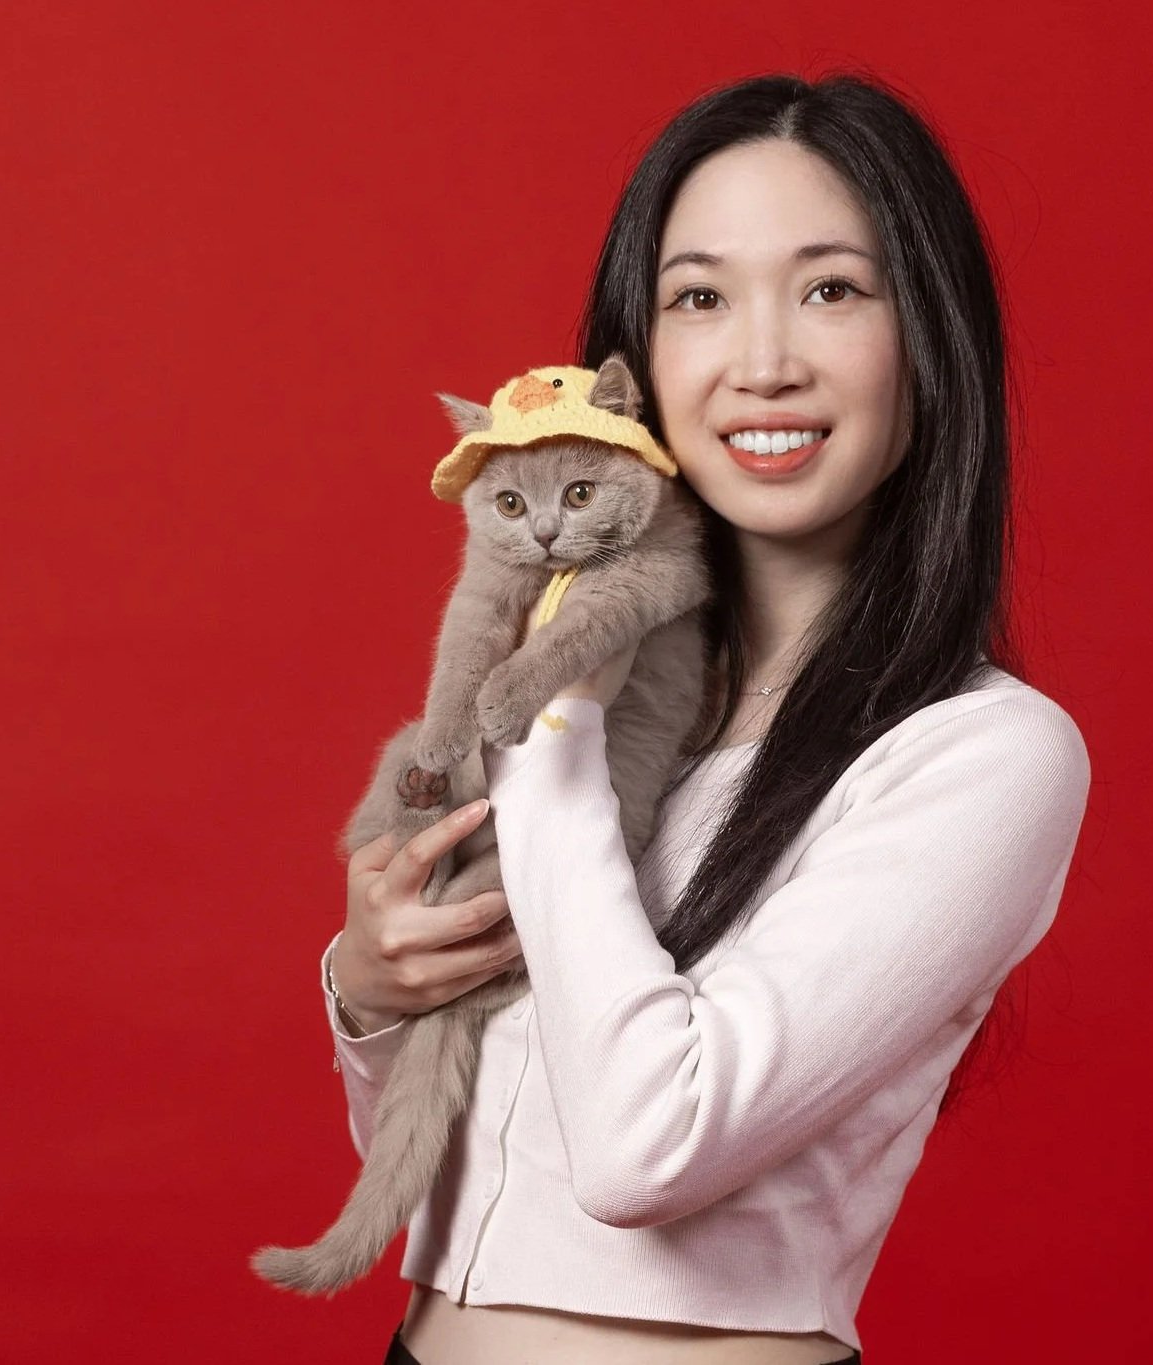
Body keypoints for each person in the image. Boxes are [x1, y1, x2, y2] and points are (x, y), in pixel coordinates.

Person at [320, 71, 1092, 1365]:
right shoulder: (620, 688)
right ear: (637, 357)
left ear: (929, 339)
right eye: (700, 297)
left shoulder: (981, 752)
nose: (764, 360)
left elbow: (641, 1149)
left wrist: (556, 705)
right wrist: (372, 986)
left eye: (833, 288)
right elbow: (482, 1155)